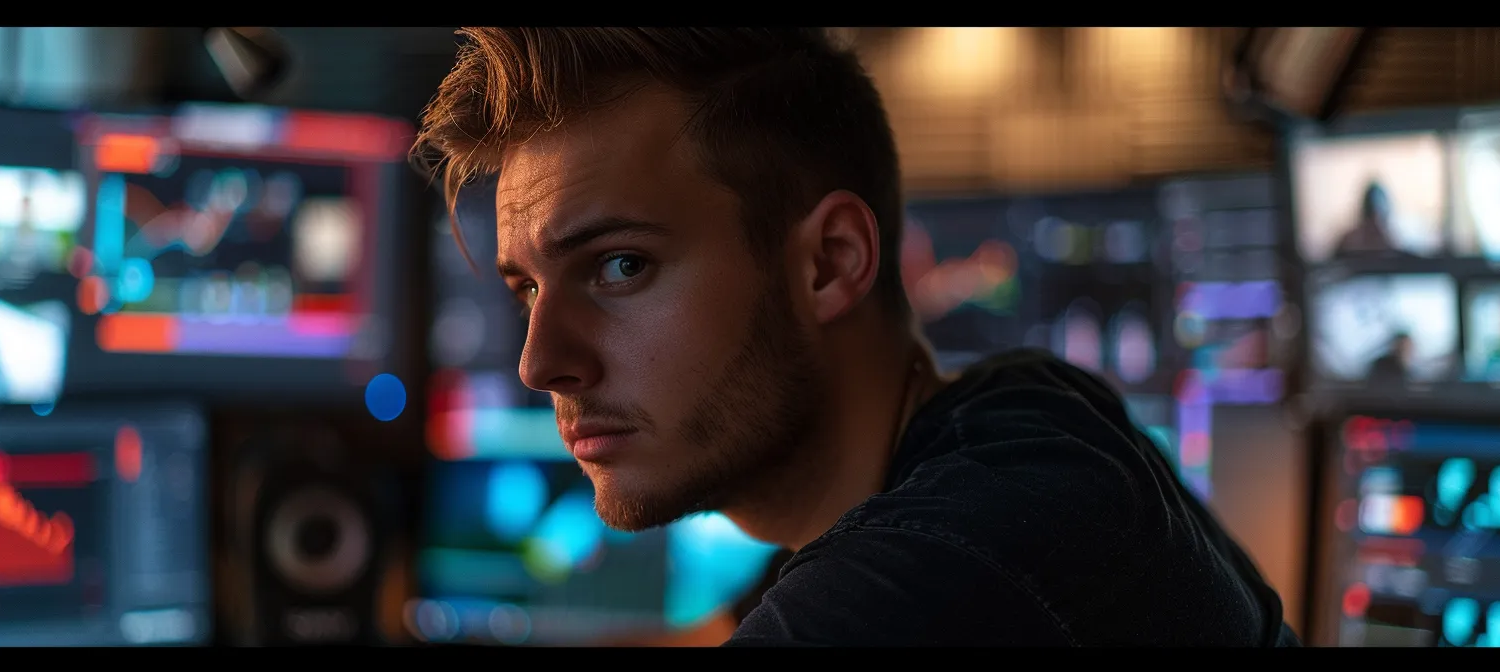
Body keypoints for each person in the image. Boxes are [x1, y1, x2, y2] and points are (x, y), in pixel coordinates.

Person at [414, 27, 1296, 646]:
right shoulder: (1011, 410)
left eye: (619, 267)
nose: (540, 362)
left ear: (830, 264)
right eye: (527, 287)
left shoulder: (961, 552)